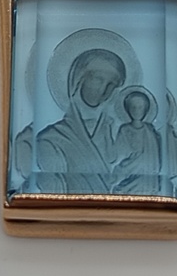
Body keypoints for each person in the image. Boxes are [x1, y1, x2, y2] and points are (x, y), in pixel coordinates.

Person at [35, 48, 125, 193]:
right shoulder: (51, 139)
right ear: (79, 79)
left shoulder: (115, 130)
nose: (103, 89)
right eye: (98, 79)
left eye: (111, 84)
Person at [113, 89, 162, 195]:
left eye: (140, 107)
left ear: (145, 109)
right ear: (128, 109)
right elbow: (118, 154)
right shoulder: (125, 130)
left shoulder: (150, 130)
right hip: (129, 171)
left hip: (148, 176)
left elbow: (155, 157)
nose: (136, 111)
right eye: (133, 107)